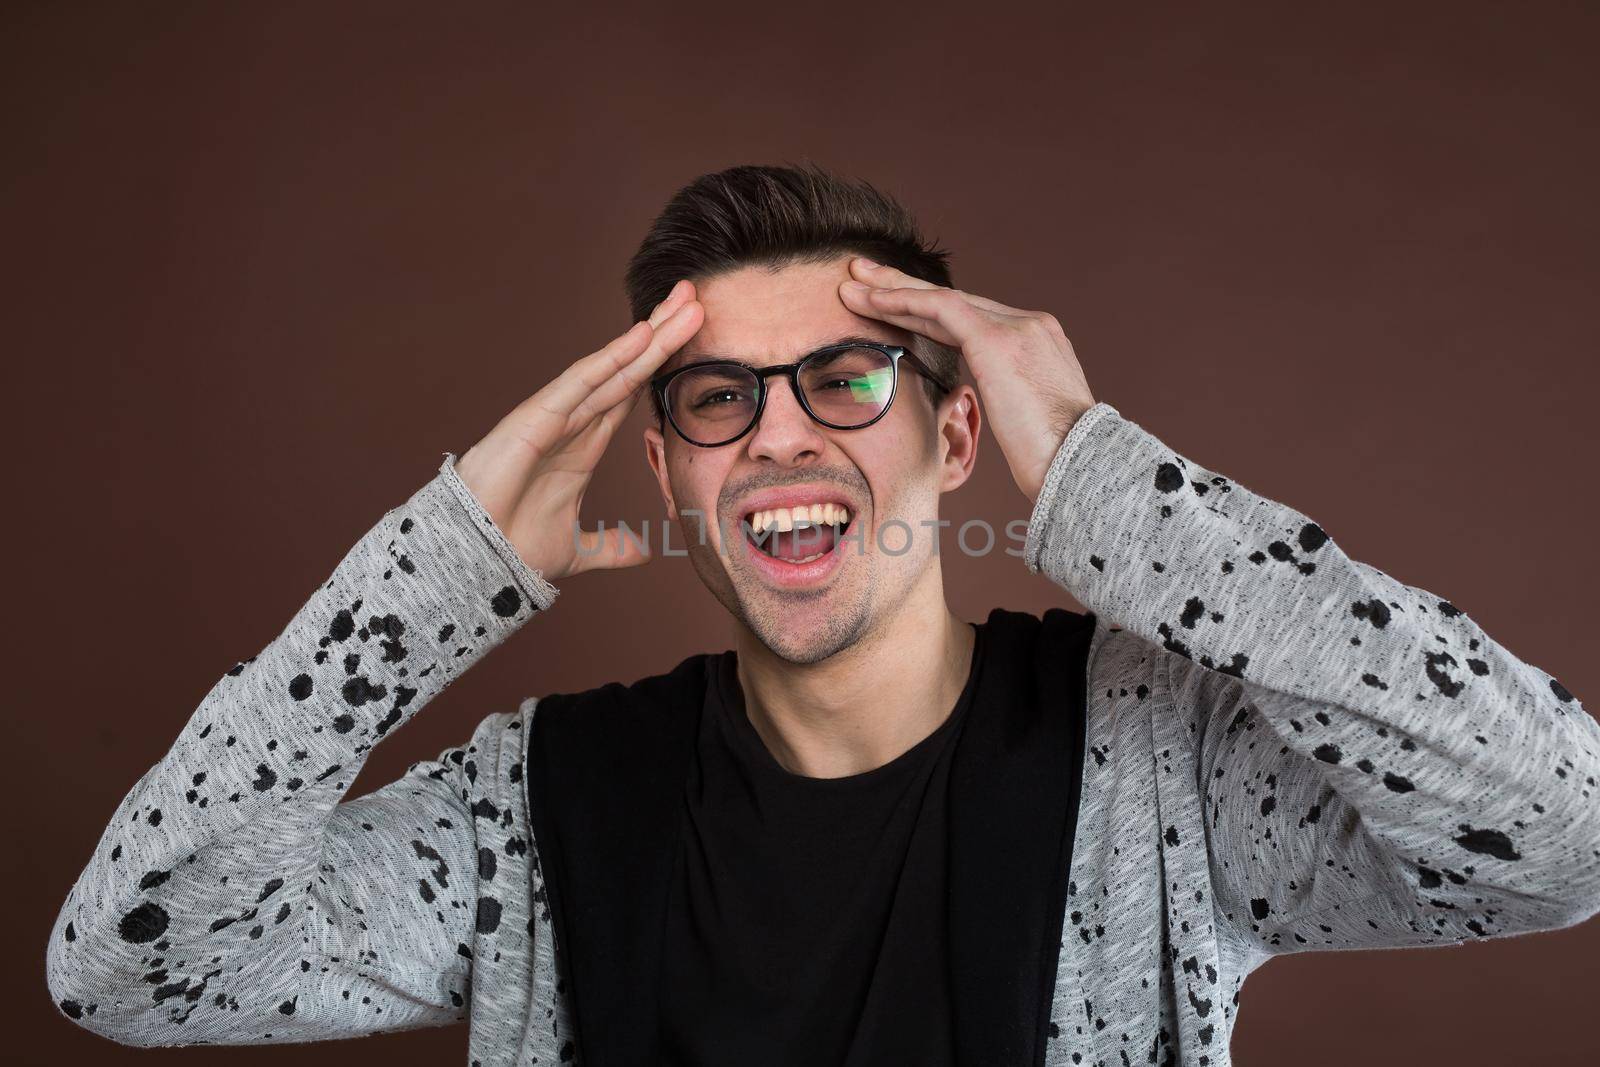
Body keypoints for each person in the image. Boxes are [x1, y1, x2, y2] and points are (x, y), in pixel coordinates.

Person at [46, 163, 1600, 1067]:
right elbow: (130, 967)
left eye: (848, 379)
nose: (781, 437)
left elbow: (1561, 834)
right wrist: (434, 568)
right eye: (721, 398)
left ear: (958, 433)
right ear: (667, 466)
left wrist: (1125, 498)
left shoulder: (1162, 771)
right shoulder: (531, 808)